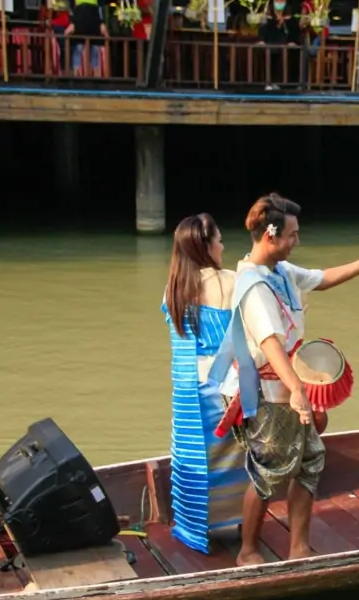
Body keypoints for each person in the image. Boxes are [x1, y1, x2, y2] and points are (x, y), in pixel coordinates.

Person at [207, 193, 359, 566]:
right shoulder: (254, 285)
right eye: (292, 235)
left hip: (290, 386)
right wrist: (297, 390)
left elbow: (322, 279)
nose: (297, 241)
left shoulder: (280, 271)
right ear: (270, 237)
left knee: (310, 460)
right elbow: (269, 343)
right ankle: (247, 550)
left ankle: (299, 547)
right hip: (267, 392)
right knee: (268, 470)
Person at [160, 213, 251, 554]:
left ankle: (195, 525)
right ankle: (242, 523)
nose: (223, 246)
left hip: (188, 388)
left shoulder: (175, 288)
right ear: (206, 245)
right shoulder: (231, 280)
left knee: (193, 457)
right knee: (238, 457)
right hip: (224, 383)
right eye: (220, 239)